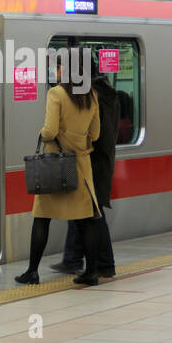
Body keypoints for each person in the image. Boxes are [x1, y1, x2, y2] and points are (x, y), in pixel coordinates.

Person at [15, 55, 103, 286]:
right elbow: (95, 135)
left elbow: (50, 131)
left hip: (55, 167)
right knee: (86, 220)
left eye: (59, 66)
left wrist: (42, 134)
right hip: (80, 167)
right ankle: (91, 272)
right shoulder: (92, 94)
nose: (56, 70)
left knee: (42, 218)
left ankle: (32, 272)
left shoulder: (56, 94)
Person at [50, 61, 119, 279]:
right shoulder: (104, 92)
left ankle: (105, 264)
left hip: (93, 161)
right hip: (97, 160)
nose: (56, 73)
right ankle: (73, 258)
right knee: (83, 211)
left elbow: (95, 133)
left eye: (60, 68)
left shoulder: (93, 96)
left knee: (92, 213)